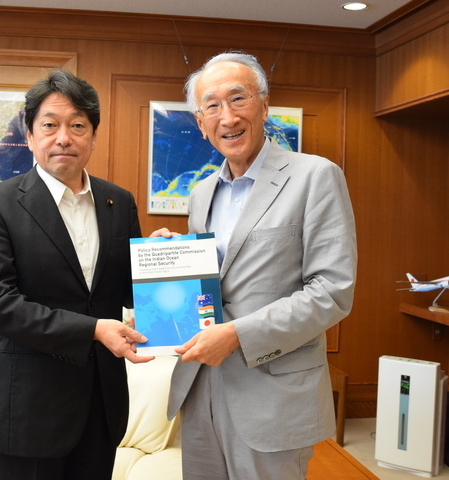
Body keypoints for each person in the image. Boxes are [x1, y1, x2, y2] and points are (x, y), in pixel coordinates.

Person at [152, 51, 357, 479]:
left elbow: (332, 292)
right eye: (212, 106)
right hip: (201, 389)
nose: (227, 116)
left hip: (272, 396)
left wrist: (237, 336)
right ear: (201, 123)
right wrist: (173, 257)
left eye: (238, 99)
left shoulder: (316, 176)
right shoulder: (202, 192)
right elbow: (216, 285)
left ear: (264, 106)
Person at [0, 69, 153, 480]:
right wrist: (94, 329)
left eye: (78, 126)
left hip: (101, 401)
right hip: (30, 402)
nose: (64, 137)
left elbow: (131, 290)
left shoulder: (118, 202)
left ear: (93, 136)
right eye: (49, 125)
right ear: (30, 136)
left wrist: (163, 257)